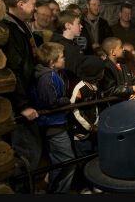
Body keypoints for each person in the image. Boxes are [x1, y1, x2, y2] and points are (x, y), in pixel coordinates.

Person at [2, 0, 42, 191]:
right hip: (17, 105)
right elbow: (12, 70)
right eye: (33, 4)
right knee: (26, 154)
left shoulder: (20, 26)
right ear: (20, 4)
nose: (35, 9)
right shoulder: (11, 30)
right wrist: (22, 105)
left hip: (24, 96)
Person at [31, 42, 75, 193]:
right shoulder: (46, 78)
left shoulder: (52, 74)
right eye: (62, 57)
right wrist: (66, 100)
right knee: (68, 162)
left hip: (57, 123)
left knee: (61, 162)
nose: (64, 59)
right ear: (51, 62)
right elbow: (51, 103)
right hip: (53, 125)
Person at [99, 37, 135, 101]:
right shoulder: (105, 68)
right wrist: (131, 88)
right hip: (115, 106)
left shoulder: (124, 65)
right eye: (120, 47)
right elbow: (110, 89)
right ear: (113, 52)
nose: (123, 49)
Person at [51, 10, 85, 88]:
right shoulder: (60, 46)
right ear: (68, 25)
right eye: (78, 23)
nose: (81, 26)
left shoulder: (73, 44)